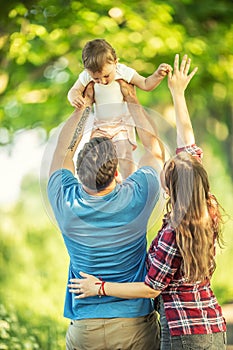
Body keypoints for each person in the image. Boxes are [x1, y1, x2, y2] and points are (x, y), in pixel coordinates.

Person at [68, 55, 227, 350]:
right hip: (212, 323)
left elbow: (151, 288)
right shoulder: (205, 208)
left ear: (170, 189)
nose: (164, 168)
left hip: (182, 333)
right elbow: (188, 148)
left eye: (166, 172)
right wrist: (177, 93)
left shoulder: (172, 233)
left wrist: (99, 287)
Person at [48, 71, 165, 347]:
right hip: (135, 327)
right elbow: (154, 149)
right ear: (116, 174)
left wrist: (84, 106)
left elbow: (61, 152)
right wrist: (132, 99)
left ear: (76, 172)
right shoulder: (137, 195)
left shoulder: (66, 201)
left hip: (85, 330)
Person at [67, 38, 172, 178]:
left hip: (121, 125)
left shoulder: (123, 71)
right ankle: (108, 183)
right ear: (87, 71)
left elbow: (146, 84)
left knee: (124, 155)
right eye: (96, 79)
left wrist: (157, 75)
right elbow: (73, 91)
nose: (102, 81)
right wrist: (74, 97)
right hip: (100, 126)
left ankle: (129, 181)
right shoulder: (86, 76)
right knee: (95, 156)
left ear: (115, 62)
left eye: (106, 76)